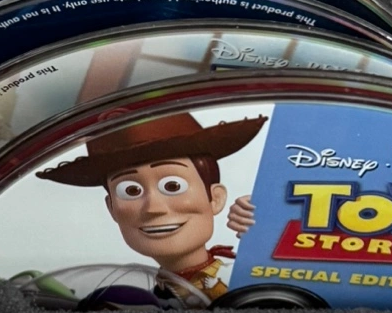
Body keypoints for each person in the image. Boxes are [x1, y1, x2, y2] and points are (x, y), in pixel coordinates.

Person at [37, 111, 265, 300]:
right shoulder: (128, 299)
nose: (153, 207)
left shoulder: (246, 276)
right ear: (112, 208)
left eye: (173, 186)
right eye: (131, 191)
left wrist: (272, 226)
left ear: (215, 198)